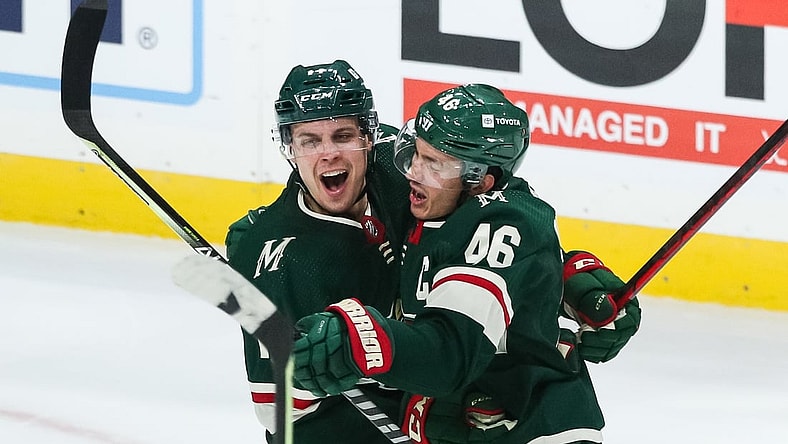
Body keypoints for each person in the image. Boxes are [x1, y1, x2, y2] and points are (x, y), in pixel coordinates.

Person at [228, 61, 640, 443]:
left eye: (343, 136)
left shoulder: (398, 164)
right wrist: (317, 366)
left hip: (502, 405)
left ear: (369, 137)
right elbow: (280, 414)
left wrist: (558, 277)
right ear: (289, 146)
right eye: (308, 140)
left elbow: (496, 221)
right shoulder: (276, 257)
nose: (329, 153)